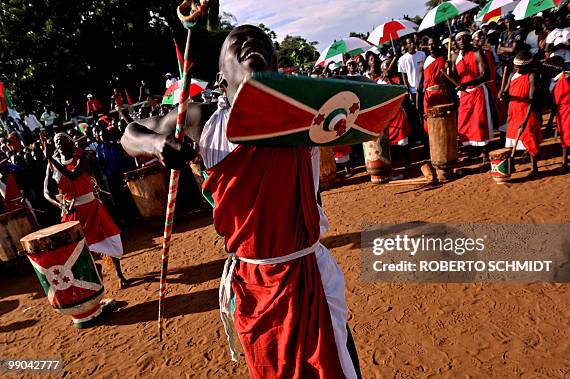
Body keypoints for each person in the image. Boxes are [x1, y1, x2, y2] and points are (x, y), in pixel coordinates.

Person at [121, 25, 361, 378]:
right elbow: (130, 134)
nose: (252, 42)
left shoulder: (306, 110)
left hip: (307, 278)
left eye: (263, 41)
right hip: (250, 286)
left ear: (277, 69)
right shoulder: (201, 121)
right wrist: (158, 146)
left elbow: (363, 111)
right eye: (239, 42)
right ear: (221, 78)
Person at [43, 133, 128, 288]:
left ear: (71, 143)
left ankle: (119, 273)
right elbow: (46, 192)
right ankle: (96, 269)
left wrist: (51, 159)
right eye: (56, 142)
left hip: (91, 207)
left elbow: (73, 176)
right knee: (77, 248)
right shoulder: (51, 165)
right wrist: (60, 205)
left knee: (110, 238)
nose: (59, 144)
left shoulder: (82, 158)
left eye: (62, 141)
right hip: (71, 212)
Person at [453, 31, 495, 161]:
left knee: (480, 121)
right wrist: (449, 68)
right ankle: (472, 150)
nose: (462, 41)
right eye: (459, 39)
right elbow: (456, 77)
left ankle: (485, 152)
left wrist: (468, 84)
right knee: (464, 123)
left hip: (477, 92)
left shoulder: (477, 52)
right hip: (465, 95)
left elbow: (485, 74)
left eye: (464, 38)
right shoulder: (456, 57)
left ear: (469, 39)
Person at [500, 51, 542, 177]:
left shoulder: (532, 75)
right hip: (513, 110)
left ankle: (535, 168)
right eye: (515, 66)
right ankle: (511, 164)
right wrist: (502, 93)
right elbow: (506, 91)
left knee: (529, 138)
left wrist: (525, 121)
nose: (517, 68)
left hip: (526, 111)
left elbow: (532, 100)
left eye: (519, 67)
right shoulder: (512, 74)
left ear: (527, 66)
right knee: (511, 138)